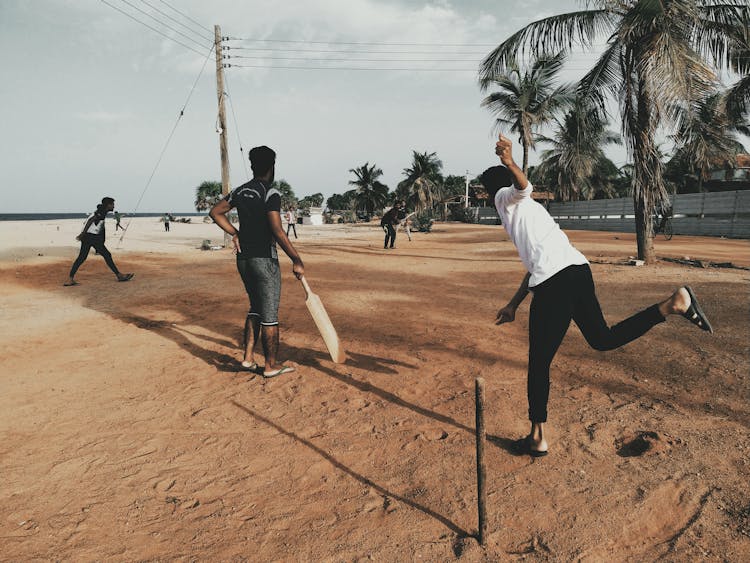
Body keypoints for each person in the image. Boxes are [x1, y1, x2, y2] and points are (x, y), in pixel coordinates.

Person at [484, 134, 713, 457]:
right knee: (602, 339)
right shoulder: (531, 215)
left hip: (555, 284)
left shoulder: (506, 199)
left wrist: (509, 164)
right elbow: (536, 264)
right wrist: (513, 304)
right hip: (577, 271)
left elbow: (522, 187)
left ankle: (537, 437)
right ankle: (672, 304)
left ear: (490, 191)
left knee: (539, 363)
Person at [209, 145, 304, 378]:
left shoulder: (240, 192)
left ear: (253, 166)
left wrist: (235, 232)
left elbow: (215, 212)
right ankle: (271, 366)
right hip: (265, 260)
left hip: (244, 259)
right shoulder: (270, 193)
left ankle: (248, 358)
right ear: (272, 167)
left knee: (255, 308)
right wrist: (296, 258)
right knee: (270, 314)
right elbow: (277, 230)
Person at [64, 197, 134, 286]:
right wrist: (82, 234)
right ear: (108, 205)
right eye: (112, 204)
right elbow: (90, 220)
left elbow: (99, 226)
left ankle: (70, 279)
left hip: (89, 237)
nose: (114, 206)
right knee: (107, 255)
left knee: (82, 257)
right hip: (91, 237)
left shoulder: (102, 211)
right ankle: (119, 275)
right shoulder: (101, 212)